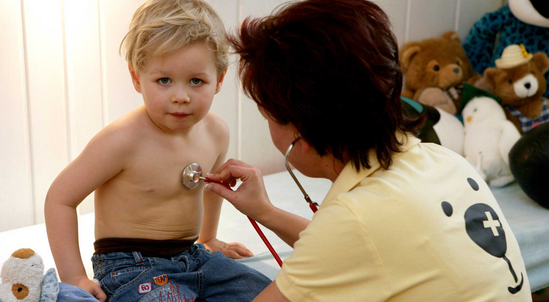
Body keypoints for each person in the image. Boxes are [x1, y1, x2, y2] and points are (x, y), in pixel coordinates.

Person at [205, 0, 533, 301]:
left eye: (268, 117)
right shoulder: (444, 160)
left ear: (300, 133)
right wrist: (266, 211)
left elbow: (348, 239)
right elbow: (353, 247)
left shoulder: (354, 219)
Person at [44, 0, 271, 301]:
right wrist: (74, 276)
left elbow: (210, 186)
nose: (181, 97)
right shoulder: (122, 140)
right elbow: (60, 198)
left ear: (218, 80)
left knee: (272, 293)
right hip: (129, 266)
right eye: (164, 80)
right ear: (137, 78)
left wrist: (209, 238)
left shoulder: (216, 132)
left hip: (193, 255)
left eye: (196, 81)